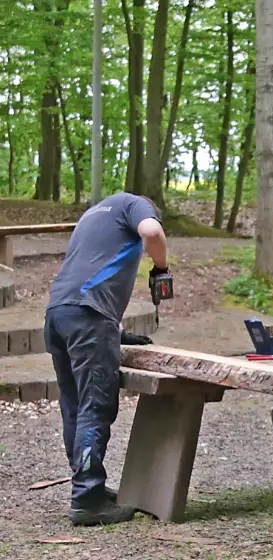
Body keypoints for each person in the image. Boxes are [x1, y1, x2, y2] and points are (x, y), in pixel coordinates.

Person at [44, 192, 169, 526]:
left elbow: (89, 269)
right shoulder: (135, 205)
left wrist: (113, 332)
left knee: (74, 405)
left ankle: (90, 486)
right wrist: (161, 267)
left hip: (59, 314)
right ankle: (87, 499)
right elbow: (152, 233)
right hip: (88, 318)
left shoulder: (92, 215)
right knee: (95, 406)